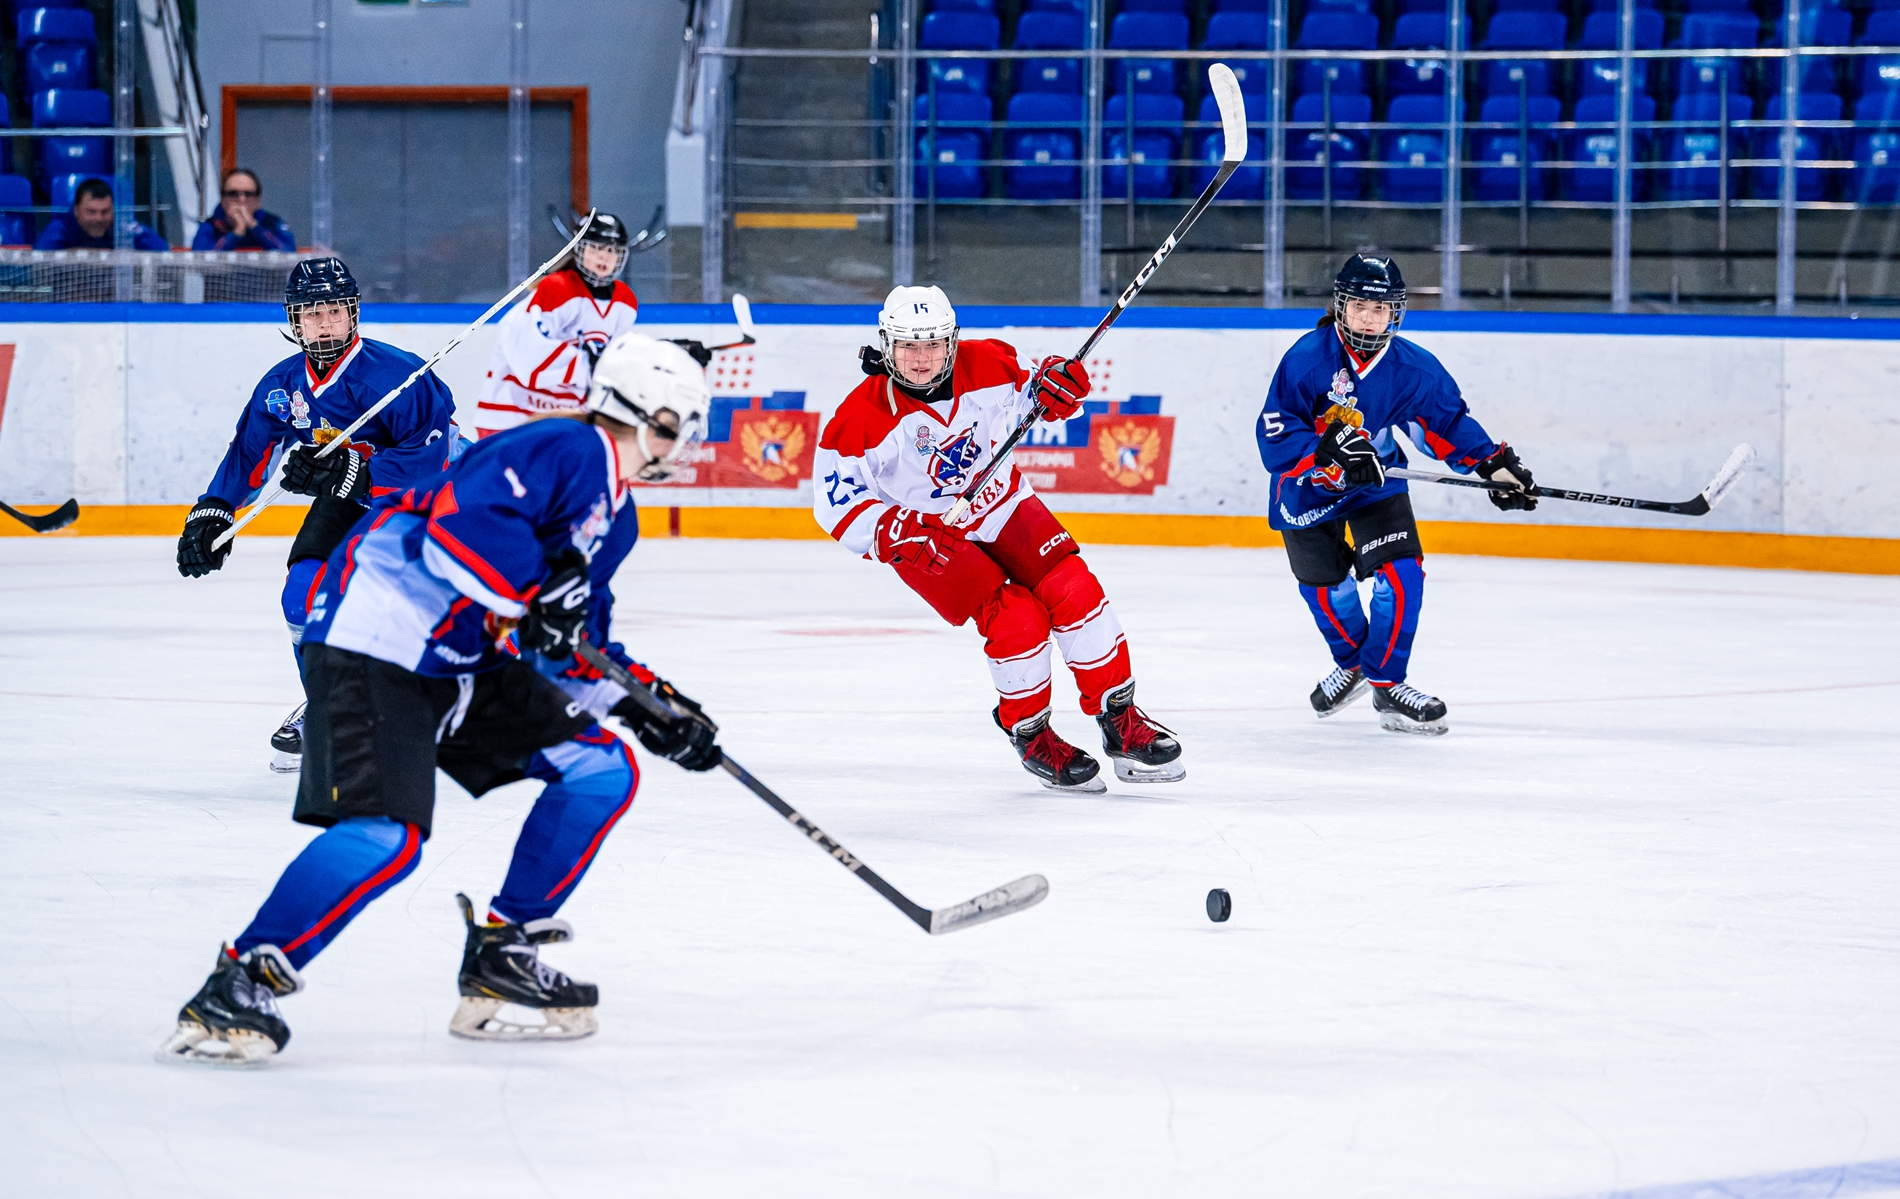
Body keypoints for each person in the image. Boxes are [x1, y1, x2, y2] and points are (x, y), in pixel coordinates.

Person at [157, 337, 720, 1065]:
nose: (684, 442)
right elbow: (461, 533)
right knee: (385, 837)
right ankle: (239, 982)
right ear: (642, 412)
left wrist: (652, 705)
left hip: (459, 661)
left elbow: (569, 640)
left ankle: (502, 951)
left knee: (601, 770)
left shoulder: (619, 515)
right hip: (376, 635)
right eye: (680, 424)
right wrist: (535, 594)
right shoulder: (567, 448)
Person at [812, 285, 1183, 794]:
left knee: (1075, 591)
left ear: (952, 341)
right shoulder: (859, 418)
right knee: (1016, 620)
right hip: (930, 538)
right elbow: (835, 502)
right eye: (907, 346)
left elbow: (1042, 393)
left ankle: (1120, 721)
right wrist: (890, 529)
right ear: (886, 344)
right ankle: (1032, 736)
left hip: (1002, 503)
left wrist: (1058, 390)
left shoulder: (989, 360)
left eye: (933, 345)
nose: (921, 359)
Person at [175, 257, 459, 773]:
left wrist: (353, 468)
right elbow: (250, 452)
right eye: (311, 312)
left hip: (432, 499)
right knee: (301, 595)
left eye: (332, 310)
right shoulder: (284, 385)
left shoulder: (398, 376)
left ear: (352, 314)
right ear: (293, 319)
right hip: (350, 496)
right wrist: (213, 510)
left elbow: (431, 459)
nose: (323, 322)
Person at [1254, 254, 1537, 735]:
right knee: (1328, 589)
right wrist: (1325, 451)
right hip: (1306, 488)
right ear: (1341, 307)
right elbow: (1274, 430)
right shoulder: (1306, 359)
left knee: (1403, 577)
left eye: (1380, 308)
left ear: (1396, 313)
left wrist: (1491, 464)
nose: (1370, 317)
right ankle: (1353, 663)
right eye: (1360, 306)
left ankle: (1385, 681)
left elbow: (1445, 425)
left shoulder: (1414, 370)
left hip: (1374, 483)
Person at [472, 212, 642, 437]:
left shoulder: (625, 302)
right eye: (596, 248)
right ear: (579, 249)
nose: (604, 257)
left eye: (612, 250)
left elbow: (614, 364)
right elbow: (530, 361)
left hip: (567, 421)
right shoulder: (556, 289)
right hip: (513, 416)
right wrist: (592, 364)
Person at [33, 177, 168, 250]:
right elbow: (40, 255)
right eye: (91, 212)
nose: (98, 218)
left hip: (115, 298)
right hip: (71, 297)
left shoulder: (123, 224)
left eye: (105, 211)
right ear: (76, 210)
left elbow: (161, 249)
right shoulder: (61, 226)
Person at [191, 167, 297, 251]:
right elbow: (200, 260)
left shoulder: (273, 223)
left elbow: (288, 253)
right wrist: (235, 235)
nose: (241, 199)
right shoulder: (210, 226)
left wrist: (255, 227)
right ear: (223, 200)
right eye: (233, 194)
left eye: (248, 194)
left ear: (258, 201)